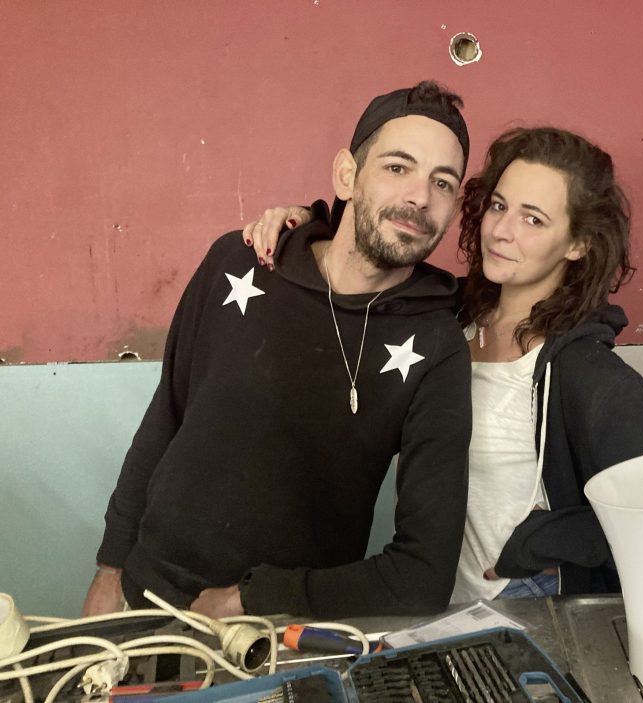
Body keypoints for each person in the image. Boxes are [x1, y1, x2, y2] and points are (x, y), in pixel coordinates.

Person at [83, 81, 473, 620]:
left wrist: (255, 598)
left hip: (281, 634)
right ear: (347, 175)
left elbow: (424, 576)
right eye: (397, 167)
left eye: (443, 182)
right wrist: (110, 567)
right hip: (143, 598)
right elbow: (166, 416)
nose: (419, 197)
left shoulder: (437, 344)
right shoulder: (239, 262)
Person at [246, 127, 643, 603]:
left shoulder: (587, 373)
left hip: (523, 599)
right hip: (434, 601)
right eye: (499, 206)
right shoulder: (444, 317)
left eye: (533, 219)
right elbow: (367, 259)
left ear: (578, 243)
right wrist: (307, 225)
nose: (501, 231)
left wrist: (545, 543)